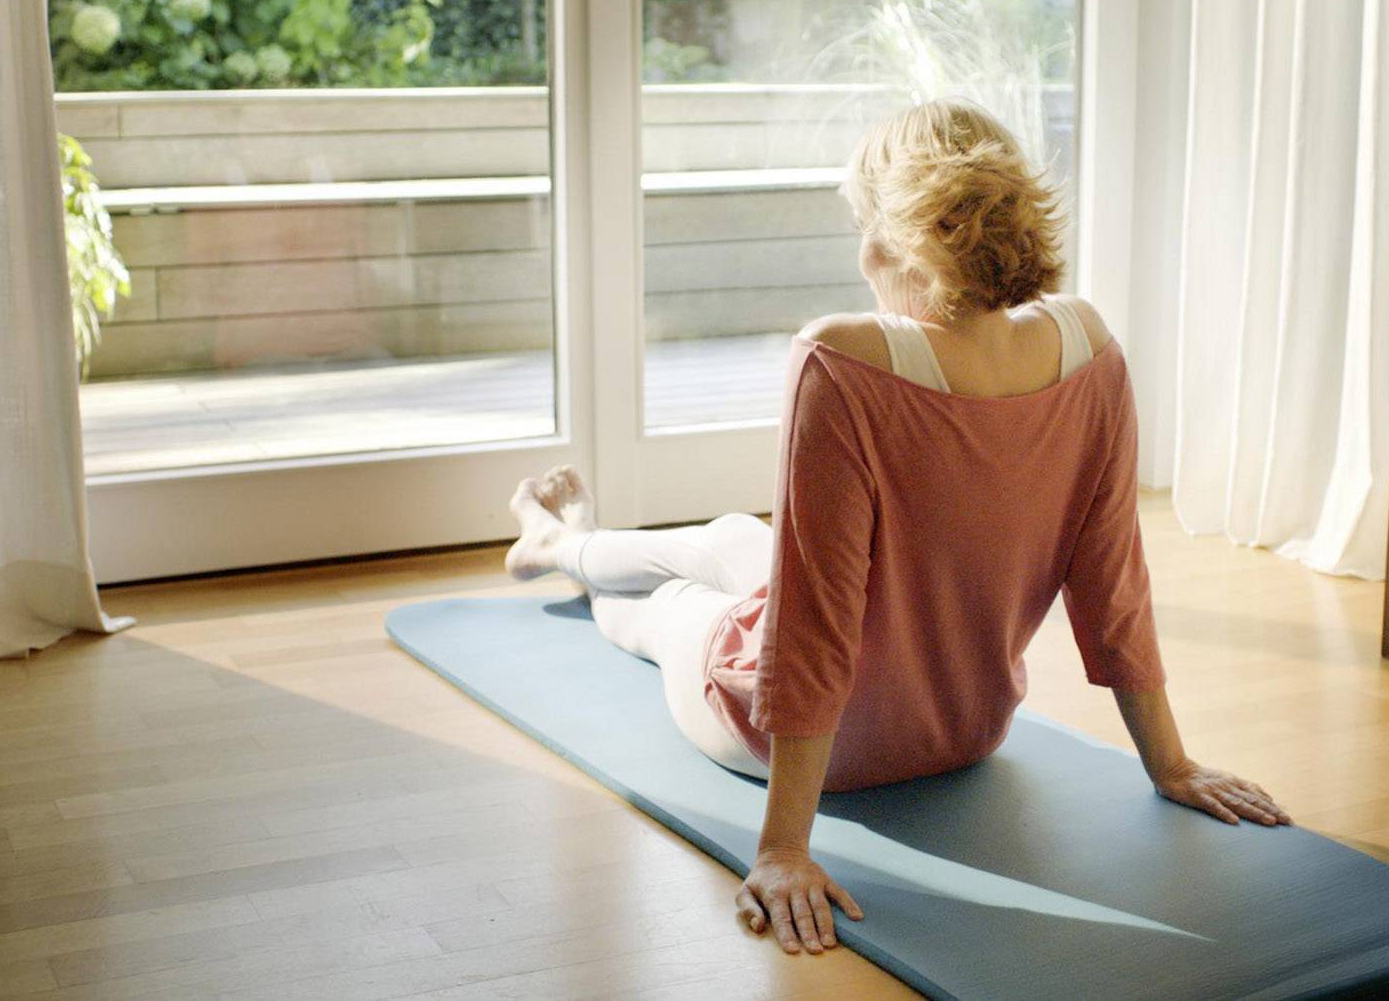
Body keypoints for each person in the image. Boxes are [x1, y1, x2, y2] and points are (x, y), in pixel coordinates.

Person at [504, 99, 1288, 957]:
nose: (860, 252)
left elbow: (814, 620)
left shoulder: (839, 358)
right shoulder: (1089, 345)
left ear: (899, 240)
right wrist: (1171, 763)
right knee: (731, 536)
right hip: (968, 731)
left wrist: (782, 847)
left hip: (803, 746)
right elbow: (1113, 581)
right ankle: (565, 542)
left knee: (669, 606)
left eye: (861, 227)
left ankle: (564, 549)